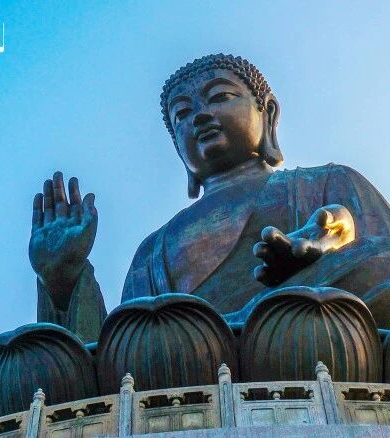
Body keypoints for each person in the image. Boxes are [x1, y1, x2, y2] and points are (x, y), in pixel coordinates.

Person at [29, 54, 390, 343]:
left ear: (268, 113)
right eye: (182, 114)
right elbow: (117, 345)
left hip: (310, 325)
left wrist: (326, 245)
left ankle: (251, 323)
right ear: (177, 146)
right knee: (127, 343)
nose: (200, 116)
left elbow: (380, 255)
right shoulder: (153, 250)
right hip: (193, 355)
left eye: (220, 97)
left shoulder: (326, 181)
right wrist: (63, 277)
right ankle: (241, 329)